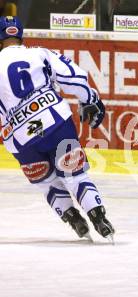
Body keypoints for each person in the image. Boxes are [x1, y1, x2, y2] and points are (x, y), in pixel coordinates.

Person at [0, 16, 114, 240]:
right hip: (56, 123)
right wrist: (90, 99)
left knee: (48, 182)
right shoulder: (39, 53)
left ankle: (74, 219)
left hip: (21, 140)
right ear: (20, 36)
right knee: (75, 175)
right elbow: (74, 77)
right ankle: (99, 218)